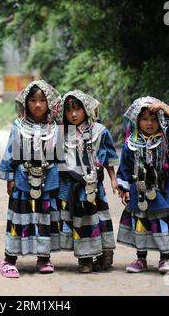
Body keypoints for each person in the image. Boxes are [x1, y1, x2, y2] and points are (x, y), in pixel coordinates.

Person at [0, 80, 62, 278]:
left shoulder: (56, 129)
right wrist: (9, 177)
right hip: (23, 180)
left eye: (42, 100)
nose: (38, 105)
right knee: (20, 218)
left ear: (49, 103)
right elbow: (11, 152)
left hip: (48, 180)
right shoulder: (18, 126)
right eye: (33, 100)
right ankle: (9, 259)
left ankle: (43, 258)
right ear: (26, 103)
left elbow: (60, 158)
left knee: (44, 218)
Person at [116, 96, 169, 274]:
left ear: (160, 120)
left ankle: (164, 259)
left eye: (154, 119)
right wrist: (124, 189)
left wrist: (164, 106)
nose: (149, 123)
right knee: (141, 223)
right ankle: (141, 259)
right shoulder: (130, 144)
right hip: (139, 192)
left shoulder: (165, 140)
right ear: (136, 120)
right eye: (145, 119)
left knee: (162, 223)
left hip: (161, 191)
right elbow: (124, 168)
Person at [55, 90, 119, 273]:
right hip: (74, 187)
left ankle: (105, 253)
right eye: (68, 111)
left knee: (100, 219)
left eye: (77, 109)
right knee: (80, 221)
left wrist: (113, 179)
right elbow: (59, 162)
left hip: (95, 186)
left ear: (86, 109)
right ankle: (84, 260)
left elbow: (108, 156)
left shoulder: (99, 131)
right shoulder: (62, 134)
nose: (73, 114)